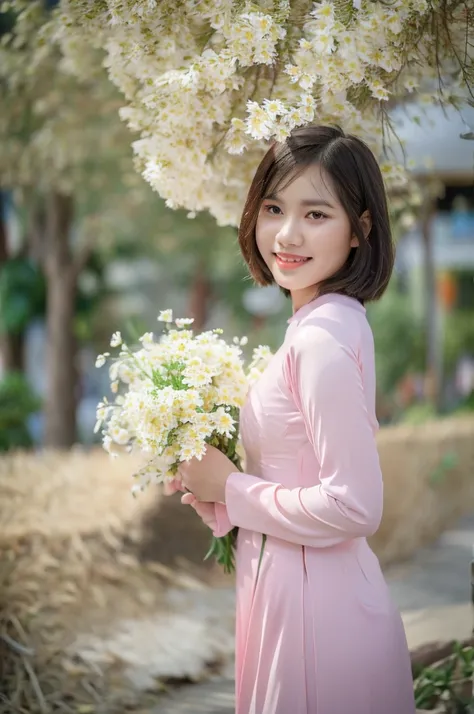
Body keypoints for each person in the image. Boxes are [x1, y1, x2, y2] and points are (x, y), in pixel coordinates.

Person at [176, 125, 416, 714]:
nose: (286, 234)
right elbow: (298, 475)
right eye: (274, 208)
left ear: (360, 229)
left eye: (316, 214)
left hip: (316, 616)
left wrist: (229, 486)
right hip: (300, 592)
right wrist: (213, 489)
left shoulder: (321, 339)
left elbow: (355, 505)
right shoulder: (326, 323)